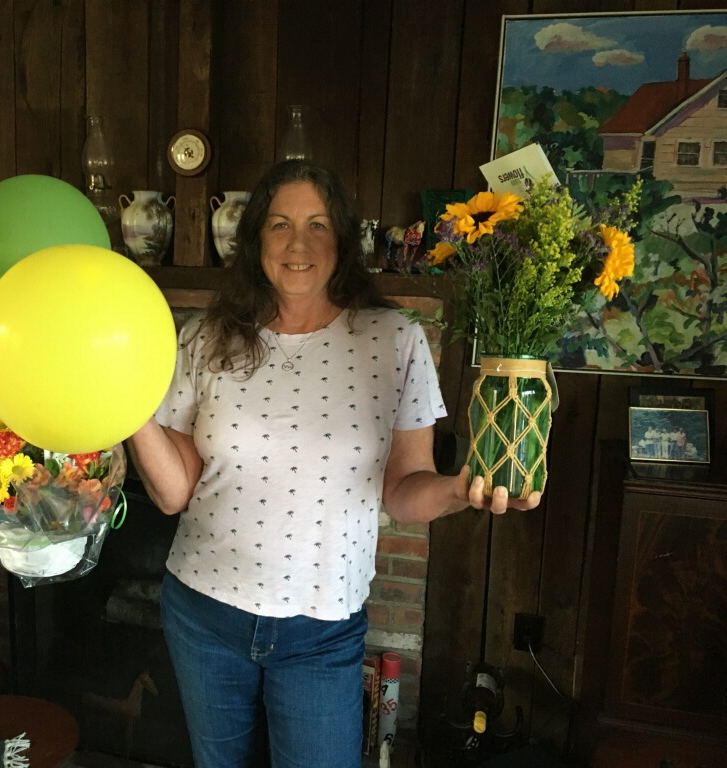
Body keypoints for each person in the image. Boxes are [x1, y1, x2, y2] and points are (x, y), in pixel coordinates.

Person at [126, 159, 541, 768]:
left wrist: (460, 490)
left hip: (320, 630)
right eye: (280, 224)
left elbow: (403, 490)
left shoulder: (394, 340)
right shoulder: (207, 337)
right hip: (203, 614)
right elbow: (173, 493)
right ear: (255, 240)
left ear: (343, 240)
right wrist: (127, 407)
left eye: (317, 225)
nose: (298, 244)